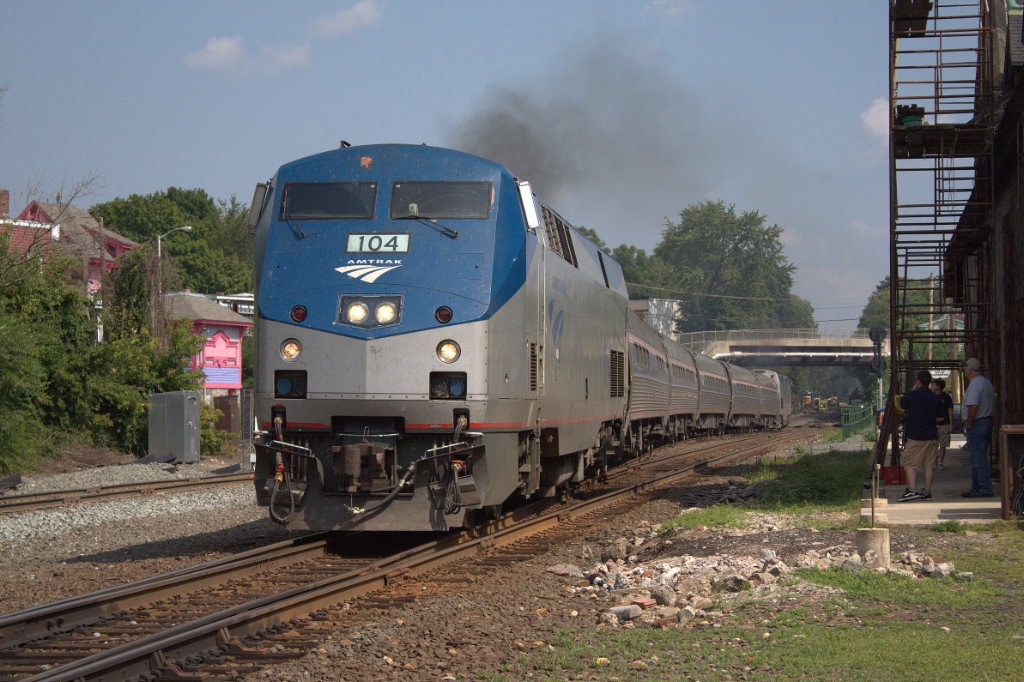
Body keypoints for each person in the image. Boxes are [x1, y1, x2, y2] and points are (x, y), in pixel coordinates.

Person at [897, 370, 943, 501]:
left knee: (910, 464)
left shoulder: (913, 394)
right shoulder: (936, 397)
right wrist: (930, 420)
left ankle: (912, 490)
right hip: (932, 435)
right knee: (929, 465)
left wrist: (913, 389)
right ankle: (927, 491)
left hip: (916, 435)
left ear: (918, 381)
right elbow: (941, 417)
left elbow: (902, 405)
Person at [961, 358, 995, 498]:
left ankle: (985, 488)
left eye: (965, 368)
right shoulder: (986, 382)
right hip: (985, 421)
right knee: (977, 457)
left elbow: (973, 406)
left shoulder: (975, 385)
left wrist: (969, 423)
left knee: (978, 458)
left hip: (977, 423)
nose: (964, 370)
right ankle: (976, 487)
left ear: (969, 370)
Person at [931, 378, 954, 469]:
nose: (932, 386)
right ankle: (933, 460)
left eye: (934, 384)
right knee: (932, 444)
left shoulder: (946, 397)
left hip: (944, 423)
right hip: (933, 424)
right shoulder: (931, 396)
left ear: (939, 386)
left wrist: (951, 424)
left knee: (943, 444)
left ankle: (940, 462)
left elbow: (950, 410)